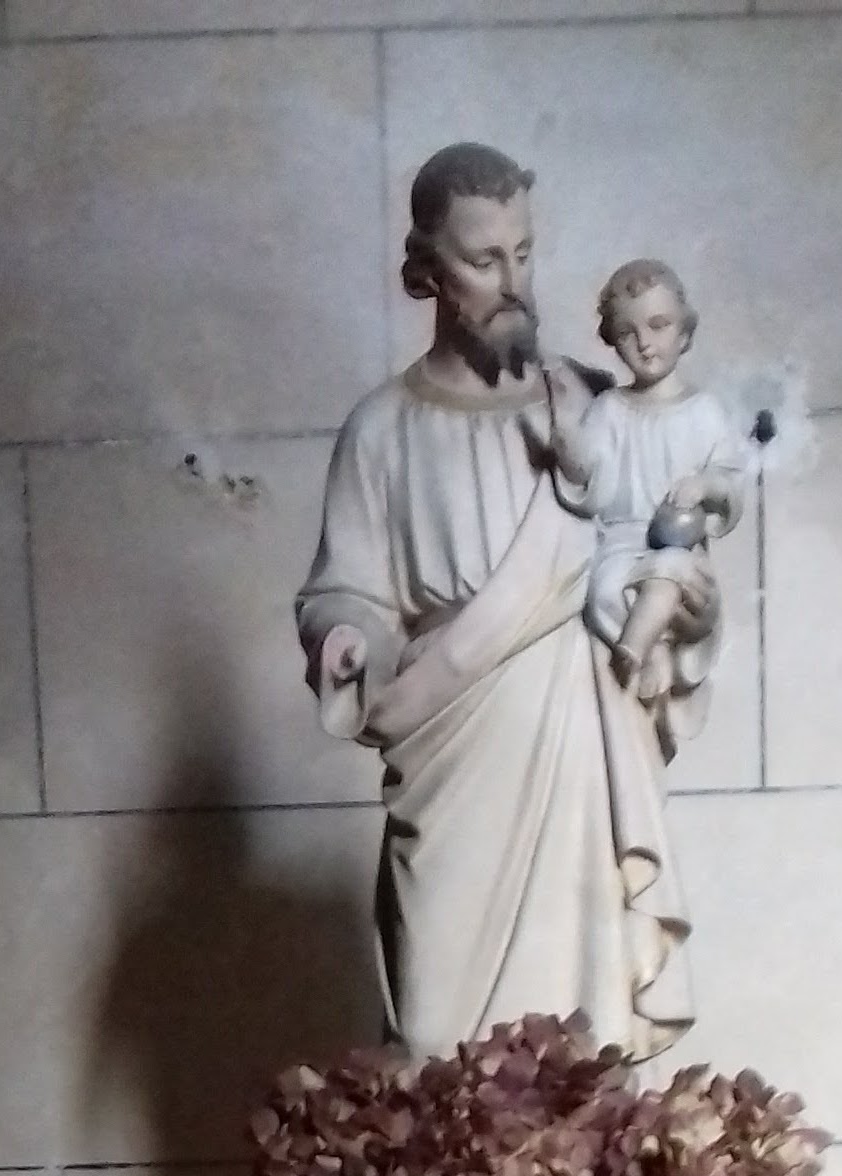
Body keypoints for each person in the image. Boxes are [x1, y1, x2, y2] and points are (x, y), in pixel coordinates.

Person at [295, 145, 721, 1063]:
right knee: (435, 1041)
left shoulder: (596, 406)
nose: (513, 281)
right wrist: (344, 639)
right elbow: (347, 588)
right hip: (452, 757)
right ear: (426, 271)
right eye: (483, 260)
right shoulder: (383, 429)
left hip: (583, 756)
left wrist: (685, 610)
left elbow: (665, 543)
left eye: (523, 253)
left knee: (582, 1043)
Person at [534, 258, 746, 737]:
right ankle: (644, 656)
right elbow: (591, 479)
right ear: (612, 339)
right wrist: (569, 451)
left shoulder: (703, 412)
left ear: (684, 332)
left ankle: (638, 649)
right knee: (602, 591)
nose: (645, 343)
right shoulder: (609, 410)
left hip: (678, 546)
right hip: (622, 540)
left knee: (669, 574)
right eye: (628, 333)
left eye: (658, 325)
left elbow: (730, 483)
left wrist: (705, 485)